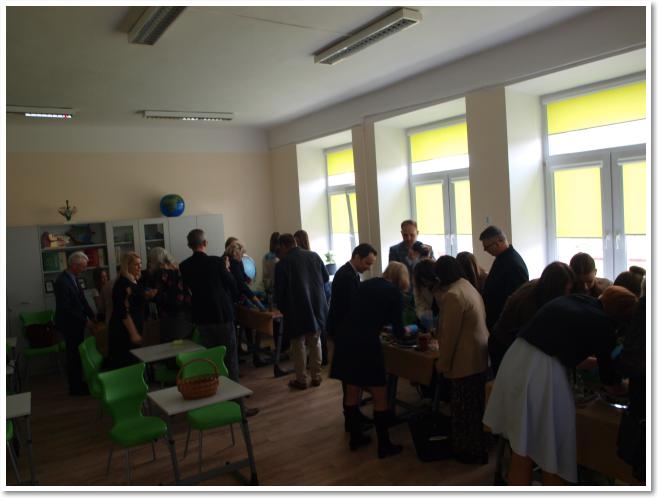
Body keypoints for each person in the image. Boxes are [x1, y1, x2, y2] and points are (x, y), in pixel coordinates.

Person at [483, 286, 637, 485]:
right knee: (554, 453)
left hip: (516, 358)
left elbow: (563, 350)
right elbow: (611, 384)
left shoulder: (577, 301)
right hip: (541, 373)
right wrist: (630, 387)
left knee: (523, 450)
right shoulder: (603, 324)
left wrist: (599, 363)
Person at [330, 262, 410, 458]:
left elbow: (359, 312)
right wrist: (409, 331)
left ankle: (355, 438)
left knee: (352, 391)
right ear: (402, 279)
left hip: (345, 339)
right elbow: (399, 332)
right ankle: (384, 446)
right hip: (366, 345)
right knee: (380, 395)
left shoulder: (366, 284)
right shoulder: (395, 293)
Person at [433, 256, 489, 464]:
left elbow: (449, 336)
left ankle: (468, 450)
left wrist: (442, 364)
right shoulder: (468, 287)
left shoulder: (453, 296)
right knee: (476, 407)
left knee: (464, 410)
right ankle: (478, 446)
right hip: (479, 356)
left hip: (464, 361)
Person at [326, 243, 378, 433]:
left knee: (350, 379)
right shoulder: (347, 276)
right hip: (344, 332)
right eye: (367, 263)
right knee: (350, 378)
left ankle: (354, 414)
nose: (368, 267)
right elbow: (351, 308)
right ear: (356, 257)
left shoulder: (349, 273)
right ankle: (352, 419)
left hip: (344, 331)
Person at [489, 261, 575, 373]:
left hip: (510, 342)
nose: (568, 294)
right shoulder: (530, 305)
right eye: (566, 290)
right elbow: (535, 342)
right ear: (556, 288)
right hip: (504, 346)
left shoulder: (540, 286)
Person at [180, 230, 240, 379]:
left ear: (189, 245)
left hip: (202, 317)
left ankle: (215, 387)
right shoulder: (216, 261)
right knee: (230, 357)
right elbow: (232, 284)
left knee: (212, 357)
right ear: (205, 243)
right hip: (222, 314)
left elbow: (188, 289)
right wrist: (227, 269)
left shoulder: (184, 266)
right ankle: (235, 391)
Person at [275, 233, 329, 389]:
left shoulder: (283, 264)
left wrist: (283, 309)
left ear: (284, 246)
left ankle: (301, 379)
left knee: (298, 344)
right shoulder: (314, 256)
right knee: (315, 342)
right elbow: (325, 278)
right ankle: (316, 376)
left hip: (295, 308)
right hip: (316, 305)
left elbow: (280, 292)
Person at [54, 251, 96, 395]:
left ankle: (79, 382)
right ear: (74, 265)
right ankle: (75, 387)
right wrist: (85, 320)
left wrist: (92, 316)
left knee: (78, 354)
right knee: (73, 356)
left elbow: (82, 300)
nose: (84, 269)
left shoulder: (73, 278)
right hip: (69, 325)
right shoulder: (62, 282)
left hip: (76, 323)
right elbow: (66, 308)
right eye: (82, 266)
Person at [479, 225, 529, 332]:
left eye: (486, 247)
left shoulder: (513, 264)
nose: (485, 250)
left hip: (503, 324)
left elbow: (514, 299)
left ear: (498, 243)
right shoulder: (503, 258)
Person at [107, 252, 147, 370]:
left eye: (140, 264)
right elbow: (122, 311)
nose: (140, 267)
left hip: (135, 325)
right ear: (127, 266)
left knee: (134, 359)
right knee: (126, 361)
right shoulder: (122, 283)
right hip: (124, 330)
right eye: (136, 264)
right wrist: (133, 333)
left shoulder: (134, 280)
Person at [144, 246, 190, 342]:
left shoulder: (160, 273)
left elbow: (163, 296)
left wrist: (152, 295)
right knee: (184, 345)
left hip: (170, 316)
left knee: (170, 346)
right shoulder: (178, 269)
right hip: (185, 314)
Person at [225, 240, 265, 311]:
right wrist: (258, 303)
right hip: (232, 301)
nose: (243, 256)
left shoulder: (234, 261)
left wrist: (248, 279)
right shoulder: (233, 263)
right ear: (236, 253)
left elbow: (242, 275)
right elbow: (242, 285)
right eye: (242, 253)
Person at [411, 259, 439, 331]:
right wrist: (423, 316)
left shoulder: (441, 283)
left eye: (426, 280)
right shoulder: (419, 284)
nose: (425, 283)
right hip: (427, 318)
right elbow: (419, 304)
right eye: (423, 281)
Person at [262, 232, 280, 302]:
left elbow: (265, 275)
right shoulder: (279, 257)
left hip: (268, 288)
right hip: (277, 288)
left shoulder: (265, 257)